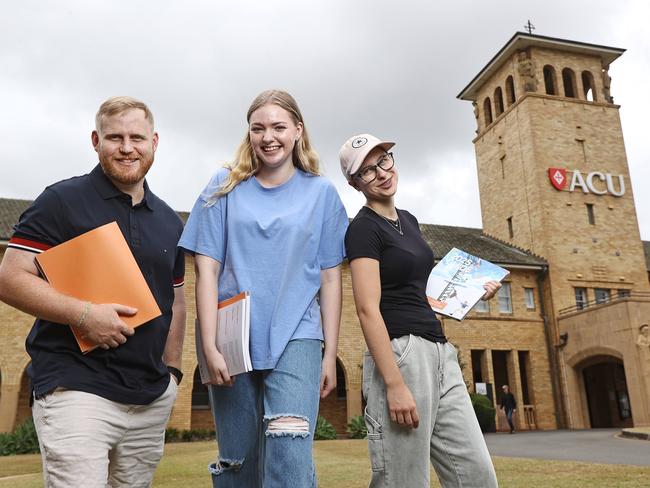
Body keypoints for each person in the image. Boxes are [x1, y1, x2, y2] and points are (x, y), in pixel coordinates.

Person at [0, 96, 186, 488]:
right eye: (114, 137)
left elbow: (177, 305)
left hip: (150, 398)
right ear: (95, 140)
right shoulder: (62, 201)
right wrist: (84, 315)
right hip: (76, 387)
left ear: (154, 141)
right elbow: (10, 278)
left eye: (137, 137)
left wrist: (172, 375)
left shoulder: (170, 221)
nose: (126, 147)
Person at [178, 89, 348, 487]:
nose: (268, 136)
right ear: (249, 133)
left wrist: (330, 354)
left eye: (278, 126)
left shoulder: (321, 194)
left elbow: (330, 278)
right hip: (232, 338)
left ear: (298, 131)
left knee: (289, 452)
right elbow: (207, 270)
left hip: (297, 336)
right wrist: (209, 346)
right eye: (258, 128)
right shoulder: (223, 186)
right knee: (239, 460)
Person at [340, 133, 500, 488]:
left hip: (441, 353)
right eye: (367, 171)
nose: (381, 173)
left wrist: (476, 293)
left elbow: (425, 296)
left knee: (476, 475)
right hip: (402, 354)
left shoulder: (409, 220)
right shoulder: (362, 230)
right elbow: (367, 310)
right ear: (355, 184)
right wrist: (394, 384)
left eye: (384, 161)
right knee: (403, 480)